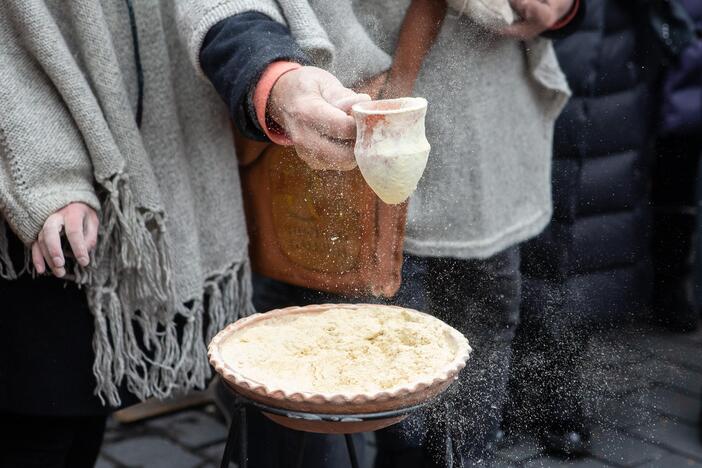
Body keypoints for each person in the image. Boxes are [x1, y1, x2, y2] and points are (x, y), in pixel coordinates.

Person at [199, 0, 582, 466]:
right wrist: (274, 76)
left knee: (468, 394)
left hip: (486, 156)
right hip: (333, 122)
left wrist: (562, 6)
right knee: (331, 386)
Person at [0, 1, 366, 466]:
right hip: (22, 192)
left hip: (140, 195)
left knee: (79, 415)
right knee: (34, 416)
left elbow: (218, 8)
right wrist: (45, 173)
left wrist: (277, 78)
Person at [505, 0, 693, 457]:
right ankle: (507, 376)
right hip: (528, 39)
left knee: (586, 221)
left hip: (611, 43)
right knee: (517, 210)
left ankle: (559, 386)